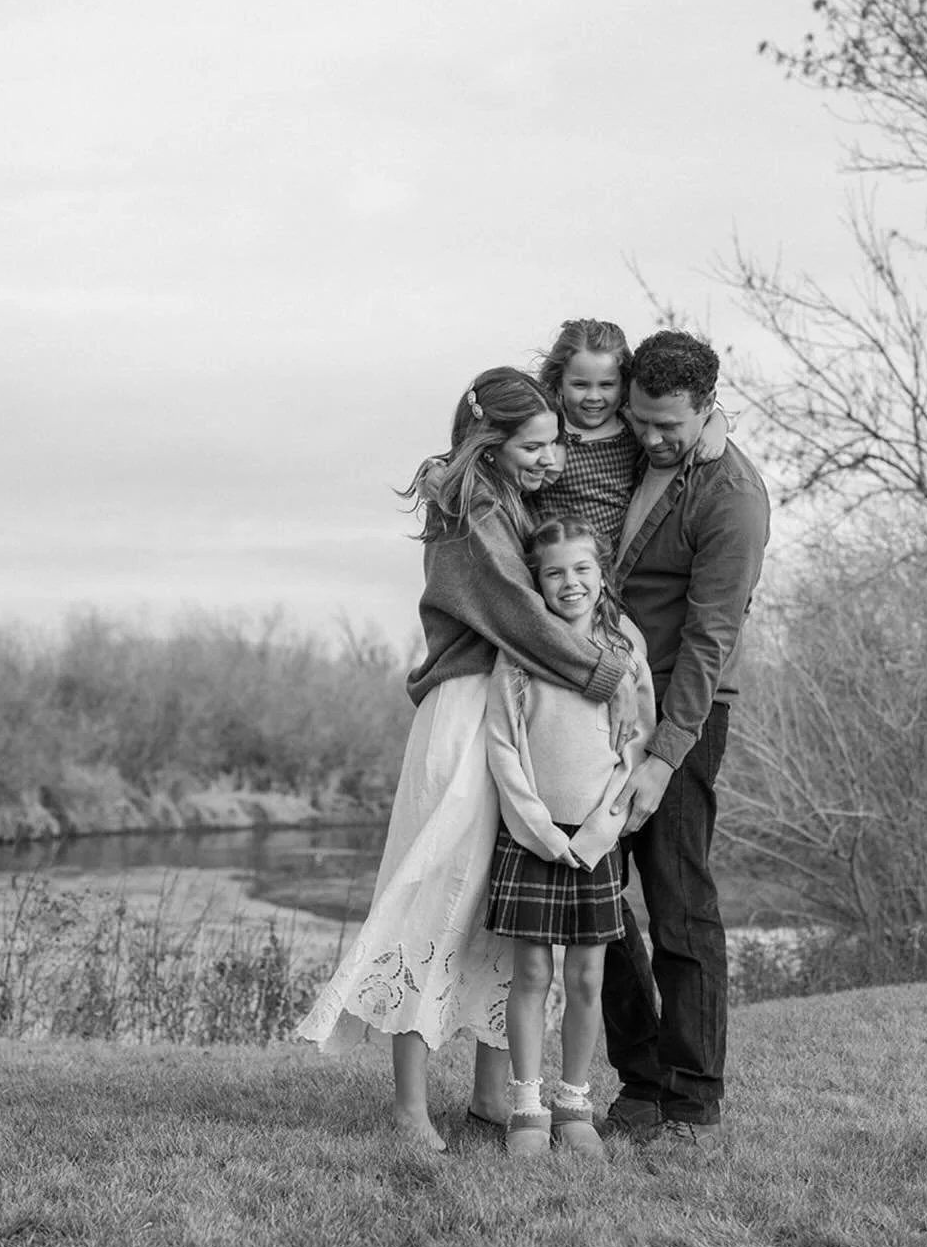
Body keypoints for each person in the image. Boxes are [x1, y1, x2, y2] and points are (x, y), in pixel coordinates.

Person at [297, 367, 639, 1152]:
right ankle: (409, 1109)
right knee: (435, 899)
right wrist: (605, 671)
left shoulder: (507, 502)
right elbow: (519, 616)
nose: (551, 459)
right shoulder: (473, 512)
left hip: (513, 712)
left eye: (555, 444)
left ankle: (493, 1096)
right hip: (464, 716)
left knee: (498, 906)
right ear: (489, 441)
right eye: (534, 445)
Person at [602, 328, 770, 1152]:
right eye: (640, 419)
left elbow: (711, 641)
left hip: (683, 712)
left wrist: (664, 759)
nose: (651, 437)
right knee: (594, 898)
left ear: (707, 407)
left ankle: (693, 1098)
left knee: (678, 903)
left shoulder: (732, 497)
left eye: (668, 425)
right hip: (604, 704)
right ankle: (640, 1080)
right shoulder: (627, 454)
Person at [483, 518, 656, 1160]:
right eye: (554, 573)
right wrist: (538, 831)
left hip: (595, 841)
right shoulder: (520, 654)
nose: (570, 583)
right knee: (531, 974)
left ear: (602, 574)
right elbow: (502, 748)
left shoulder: (623, 653)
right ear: (537, 583)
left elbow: (635, 749)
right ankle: (526, 1107)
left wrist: (596, 834)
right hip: (531, 839)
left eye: (582, 569)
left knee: (587, 978)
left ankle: (574, 1104)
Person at [532, 317, 729, 552]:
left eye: (607, 385)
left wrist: (718, 424)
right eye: (580, 385)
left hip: (612, 559)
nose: (594, 397)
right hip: (556, 555)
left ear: (624, 384)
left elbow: (697, 409)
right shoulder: (549, 429)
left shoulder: (630, 423)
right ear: (558, 382)